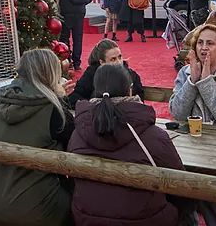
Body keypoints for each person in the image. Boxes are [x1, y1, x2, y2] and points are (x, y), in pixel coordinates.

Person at [68, 63, 197, 226]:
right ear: (130, 90)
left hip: (87, 219)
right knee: (189, 212)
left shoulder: (79, 133)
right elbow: (181, 186)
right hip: (146, 220)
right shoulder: (153, 136)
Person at [0, 49, 76, 226]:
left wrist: (56, 97)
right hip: (33, 211)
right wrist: (58, 100)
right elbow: (76, 148)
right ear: (51, 74)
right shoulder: (55, 113)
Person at [67, 39, 144, 107]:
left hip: (125, 115)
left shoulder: (131, 75)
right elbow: (74, 97)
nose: (119, 62)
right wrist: (93, 107)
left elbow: (139, 101)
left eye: (120, 57)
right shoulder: (91, 74)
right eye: (113, 59)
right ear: (102, 62)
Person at [51, 0, 90, 70]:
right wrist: (81, 4)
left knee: (65, 37)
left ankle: (67, 61)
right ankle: (77, 63)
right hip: (80, 12)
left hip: (65, 12)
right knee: (78, 38)